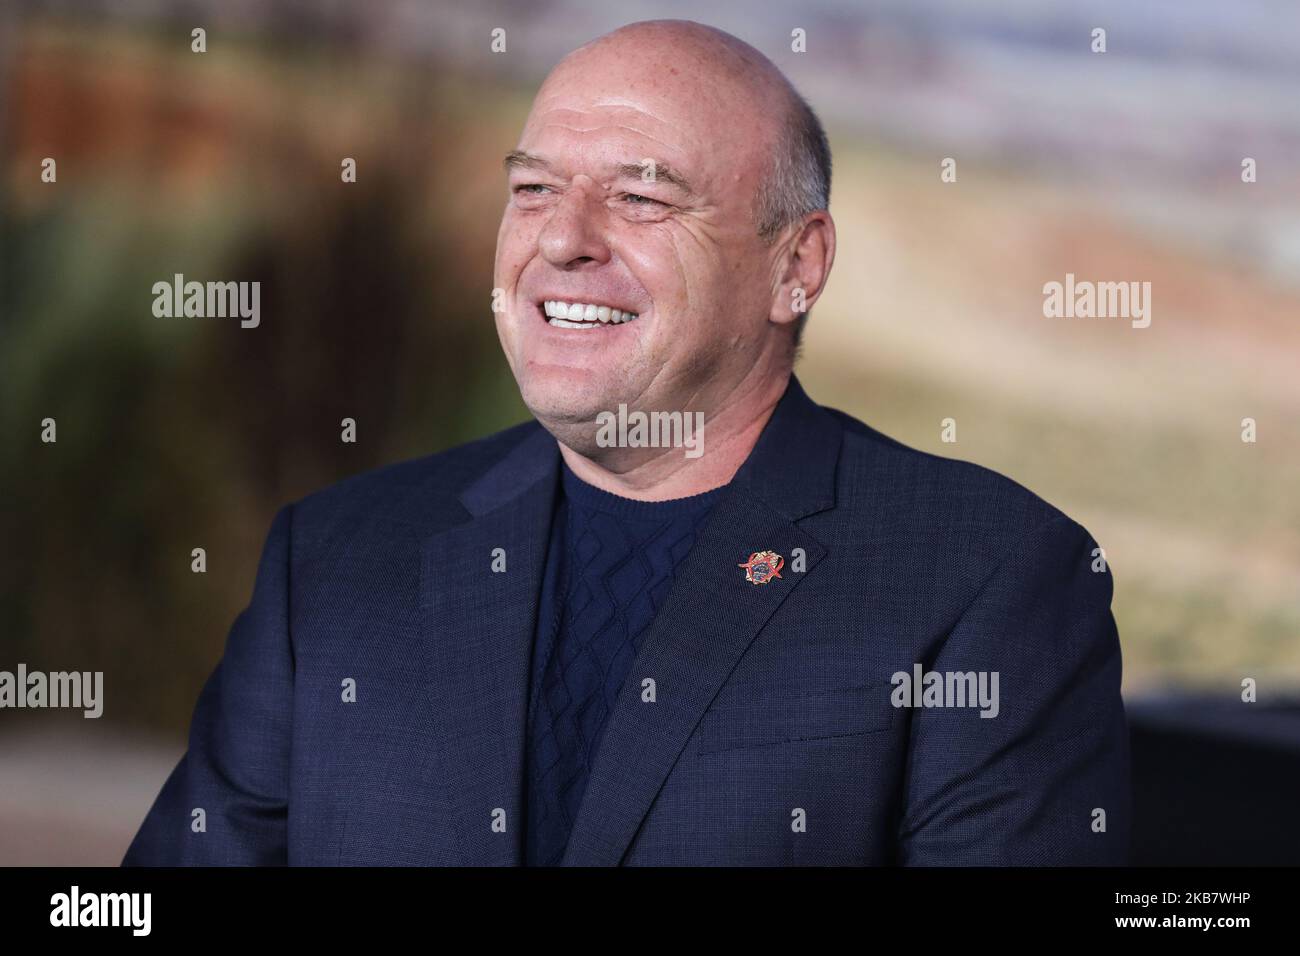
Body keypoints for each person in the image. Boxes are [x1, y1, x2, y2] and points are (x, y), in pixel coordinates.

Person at [124, 19, 1129, 866]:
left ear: (797, 265)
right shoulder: (338, 557)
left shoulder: (982, 576)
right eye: (532, 190)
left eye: (642, 196)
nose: (562, 240)